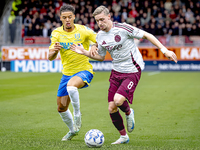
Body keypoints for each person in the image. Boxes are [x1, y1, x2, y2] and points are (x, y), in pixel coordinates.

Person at [70, 5, 177, 145]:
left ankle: (128, 112)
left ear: (109, 17)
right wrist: (84, 52)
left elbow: (146, 35)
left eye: (102, 19)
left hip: (132, 70)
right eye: (97, 21)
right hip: (116, 71)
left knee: (118, 100)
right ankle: (124, 136)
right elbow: (101, 57)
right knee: (111, 107)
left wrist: (165, 51)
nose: (100, 23)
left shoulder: (123, 28)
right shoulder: (100, 36)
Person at [48, 4, 97, 141]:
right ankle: (73, 130)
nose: (68, 20)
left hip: (84, 70)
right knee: (61, 107)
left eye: (70, 17)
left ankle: (77, 114)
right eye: (64, 18)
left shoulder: (83, 31)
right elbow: (50, 57)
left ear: (74, 17)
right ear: (60, 18)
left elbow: (100, 39)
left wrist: (95, 45)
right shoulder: (56, 33)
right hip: (66, 74)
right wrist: (55, 51)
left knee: (71, 86)